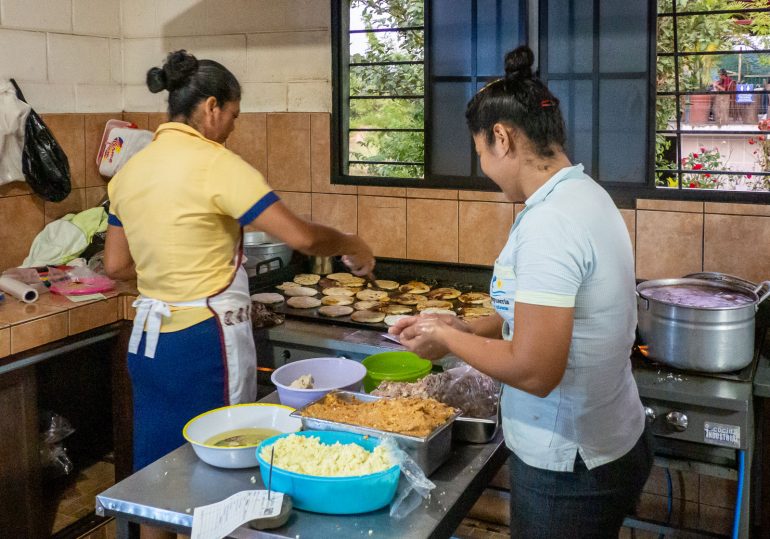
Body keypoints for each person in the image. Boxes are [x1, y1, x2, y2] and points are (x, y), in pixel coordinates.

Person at [390, 45, 653, 538]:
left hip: (570, 466)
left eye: (480, 153)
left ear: (502, 138)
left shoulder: (551, 222)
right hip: (607, 442)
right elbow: (538, 318)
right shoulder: (585, 196)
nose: (485, 169)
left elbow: (536, 370)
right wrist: (465, 326)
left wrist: (446, 341)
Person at [104, 50, 374, 475]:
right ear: (211, 108)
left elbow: (116, 265)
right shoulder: (218, 165)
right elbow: (301, 237)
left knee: (155, 473)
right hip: (204, 341)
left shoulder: (128, 172)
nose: (232, 127)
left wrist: (172, 265)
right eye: (233, 114)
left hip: (149, 344)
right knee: (221, 464)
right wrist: (353, 241)